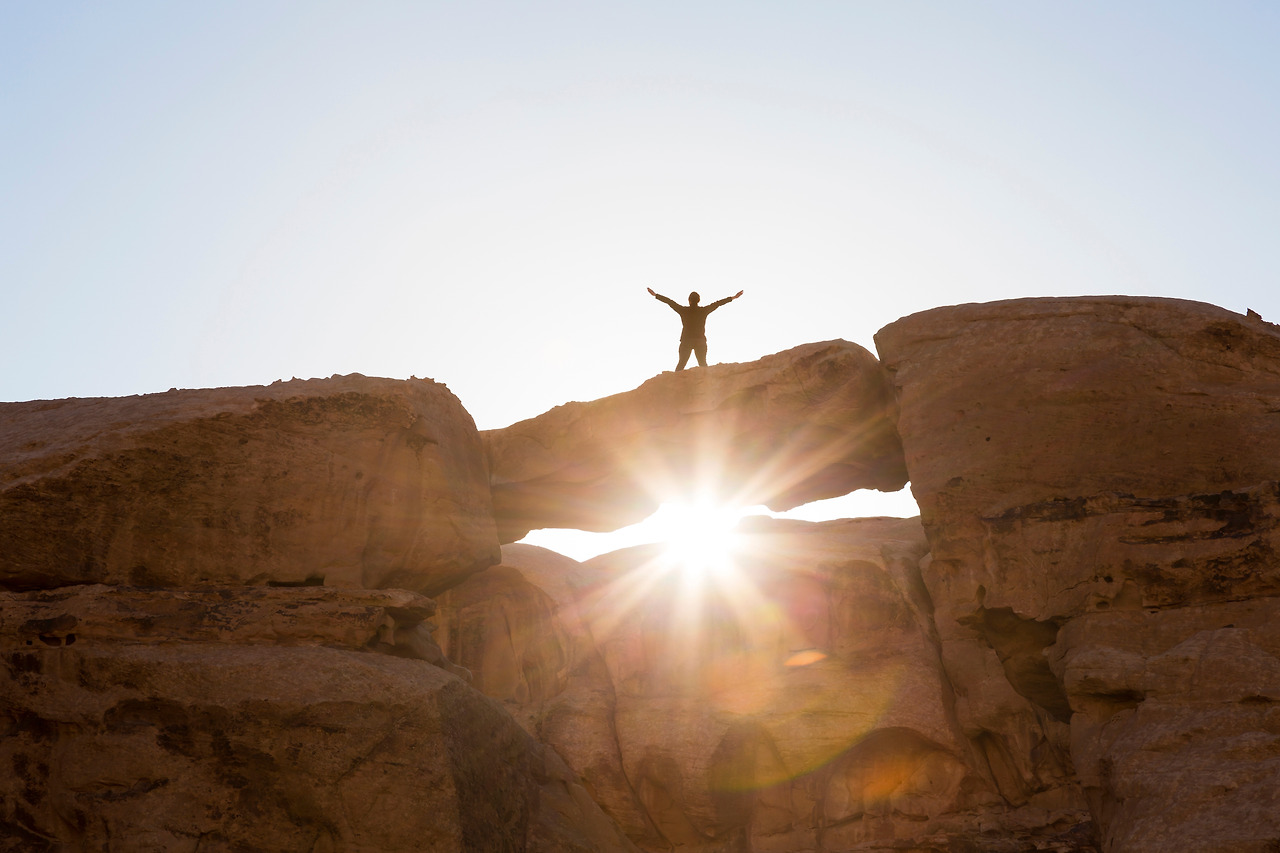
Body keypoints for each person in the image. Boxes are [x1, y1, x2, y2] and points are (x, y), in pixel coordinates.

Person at [647, 287, 744, 370]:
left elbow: (670, 302)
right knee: (703, 364)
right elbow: (717, 303)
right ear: (699, 300)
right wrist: (734, 297)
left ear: (689, 300)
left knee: (681, 365)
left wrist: (655, 295)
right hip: (700, 341)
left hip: (686, 341)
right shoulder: (703, 311)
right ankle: (707, 386)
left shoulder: (683, 310)